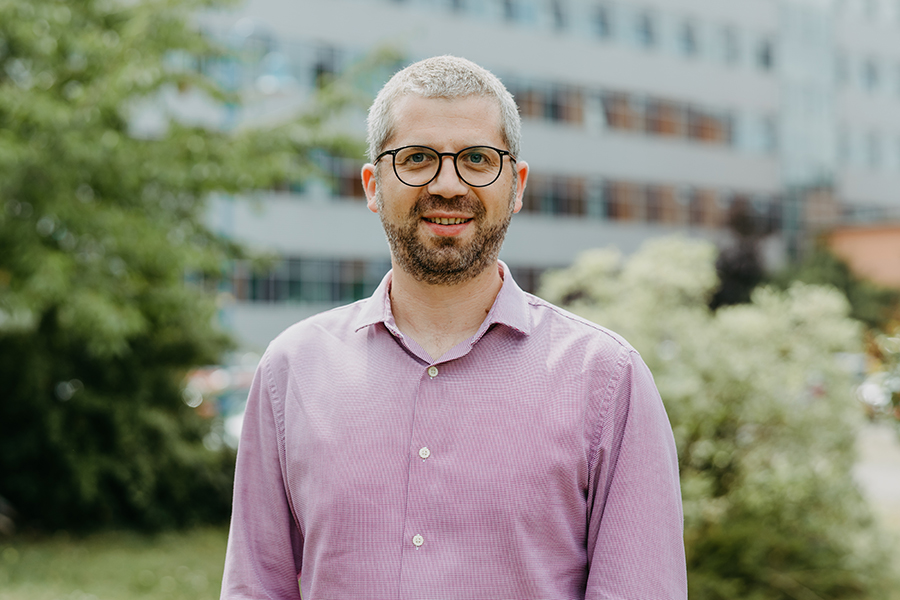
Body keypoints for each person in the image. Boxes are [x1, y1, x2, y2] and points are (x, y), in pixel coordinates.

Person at [221, 55, 687, 600]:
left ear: (516, 185)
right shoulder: (290, 370)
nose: (448, 184)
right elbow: (256, 588)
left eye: (476, 159)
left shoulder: (608, 379)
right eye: (417, 158)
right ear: (373, 184)